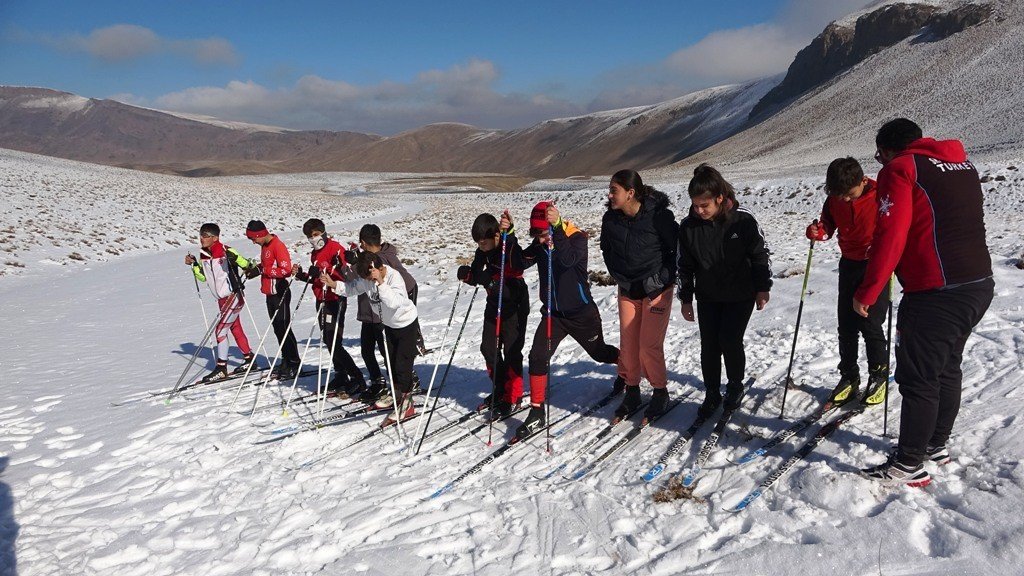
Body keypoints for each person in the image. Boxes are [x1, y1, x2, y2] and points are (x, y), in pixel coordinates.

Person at [856, 119, 993, 486]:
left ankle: (909, 464)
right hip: (977, 283)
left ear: (888, 150)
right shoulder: (962, 165)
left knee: (919, 377)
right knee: (947, 367)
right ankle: (935, 445)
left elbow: (891, 233)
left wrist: (868, 290)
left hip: (936, 291)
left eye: (879, 156)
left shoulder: (901, 168)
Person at [514, 201, 623, 440]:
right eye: (536, 234)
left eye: (542, 234)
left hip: (582, 314)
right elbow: (519, 262)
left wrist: (557, 234)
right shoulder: (541, 243)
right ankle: (536, 411)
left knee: (600, 353)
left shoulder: (576, 237)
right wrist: (508, 236)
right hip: (554, 315)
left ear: (554, 227)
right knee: (537, 356)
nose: (539, 240)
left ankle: (626, 369)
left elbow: (567, 261)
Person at [677, 164, 772, 419]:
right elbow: (684, 266)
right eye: (695, 205)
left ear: (719, 198)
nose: (699, 210)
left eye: (704, 205)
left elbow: (760, 254)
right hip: (708, 294)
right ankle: (711, 392)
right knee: (709, 345)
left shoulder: (743, 219)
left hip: (741, 293)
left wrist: (763, 287)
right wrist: (686, 299)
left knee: (729, 339)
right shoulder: (688, 227)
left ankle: (734, 387)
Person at [806, 157, 891, 407]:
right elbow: (827, 226)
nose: (845, 199)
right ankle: (849, 376)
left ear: (863, 181)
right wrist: (817, 232)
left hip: (876, 265)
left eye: (849, 194)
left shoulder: (881, 196)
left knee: (871, 323)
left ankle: (879, 377)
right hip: (849, 263)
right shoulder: (835, 198)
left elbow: (894, 228)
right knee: (846, 324)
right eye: (839, 195)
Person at [600, 169, 679, 423]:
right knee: (629, 345)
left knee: (648, 345)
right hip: (628, 289)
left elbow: (677, 252)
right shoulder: (610, 219)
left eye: (614, 190)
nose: (610, 195)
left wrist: (662, 279)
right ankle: (632, 390)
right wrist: (619, 276)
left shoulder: (659, 217)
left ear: (630, 192)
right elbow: (606, 249)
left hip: (657, 289)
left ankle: (660, 391)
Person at [324, 252, 421, 427]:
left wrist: (381, 283)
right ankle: (397, 394)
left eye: (370, 278)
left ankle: (408, 404)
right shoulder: (367, 279)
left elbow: (394, 303)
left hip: (405, 324)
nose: (369, 282)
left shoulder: (393, 277)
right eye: (367, 279)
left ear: (380, 268)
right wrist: (334, 285)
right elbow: (353, 287)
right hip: (390, 325)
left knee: (402, 365)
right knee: (391, 363)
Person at [457, 211, 530, 419]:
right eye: (478, 244)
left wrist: (511, 233)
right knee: (488, 347)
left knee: (512, 349)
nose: (481, 247)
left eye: (484, 243)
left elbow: (518, 263)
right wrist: (467, 275)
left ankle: (513, 394)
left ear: (496, 235)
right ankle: (500, 388)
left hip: (514, 303)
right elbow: (477, 274)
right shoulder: (483, 251)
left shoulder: (508, 246)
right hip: (494, 302)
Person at [293, 218, 365, 397]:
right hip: (321, 299)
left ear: (323, 232)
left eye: (315, 235)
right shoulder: (314, 254)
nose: (313, 239)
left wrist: (332, 270)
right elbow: (319, 279)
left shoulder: (336, 248)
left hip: (336, 298)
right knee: (327, 339)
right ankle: (340, 374)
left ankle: (357, 377)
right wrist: (303, 275)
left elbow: (347, 276)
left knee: (334, 341)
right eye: (309, 237)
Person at [351, 224, 420, 402]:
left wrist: (406, 308)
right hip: (374, 313)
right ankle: (388, 386)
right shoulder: (371, 261)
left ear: (363, 243)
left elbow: (407, 286)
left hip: (386, 315)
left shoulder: (383, 263)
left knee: (394, 358)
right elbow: (356, 284)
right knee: (377, 353)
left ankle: (405, 386)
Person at [185, 223, 258, 382]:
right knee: (234, 327)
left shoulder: (226, 250)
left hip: (233, 297)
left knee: (220, 331)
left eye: (205, 235)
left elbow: (248, 265)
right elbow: (204, 277)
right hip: (221, 299)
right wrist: (195, 265)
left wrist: (235, 260)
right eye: (201, 235)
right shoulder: (204, 254)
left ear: (215, 238)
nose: (202, 238)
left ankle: (221, 367)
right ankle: (249, 359)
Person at [245, 220, 302, 380]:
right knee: (277, 329)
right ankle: (285, 359)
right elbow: (266, 267)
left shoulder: (277, 245)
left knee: (284, 328)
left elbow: (285, 270)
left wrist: (263, 270)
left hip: (280, 291)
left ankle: (294, 362)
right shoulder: (265, 246)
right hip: (269, 293)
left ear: (260, 234)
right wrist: (257, 269)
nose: (253, 242)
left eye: (253, 238)